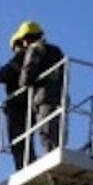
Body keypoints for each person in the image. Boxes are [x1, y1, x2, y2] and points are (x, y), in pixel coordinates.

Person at [12, 20, 66, 156]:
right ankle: (57, 151)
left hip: (45, 96)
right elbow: (64, 73)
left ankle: (52, 155)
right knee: (59, 130)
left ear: (27, 38)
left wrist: (22, 83)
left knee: (46, 132)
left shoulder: (35, 49)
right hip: (61, 96)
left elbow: (27, 75)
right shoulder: (56, 50)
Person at [0, 45, 33, 170]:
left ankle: (22, 167)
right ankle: (28, 163)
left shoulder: (21, 57)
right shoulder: (39, 58)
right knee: (28, 138)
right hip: (31, 106)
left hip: (18, 107)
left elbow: (7, 72)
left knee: (17, 141)